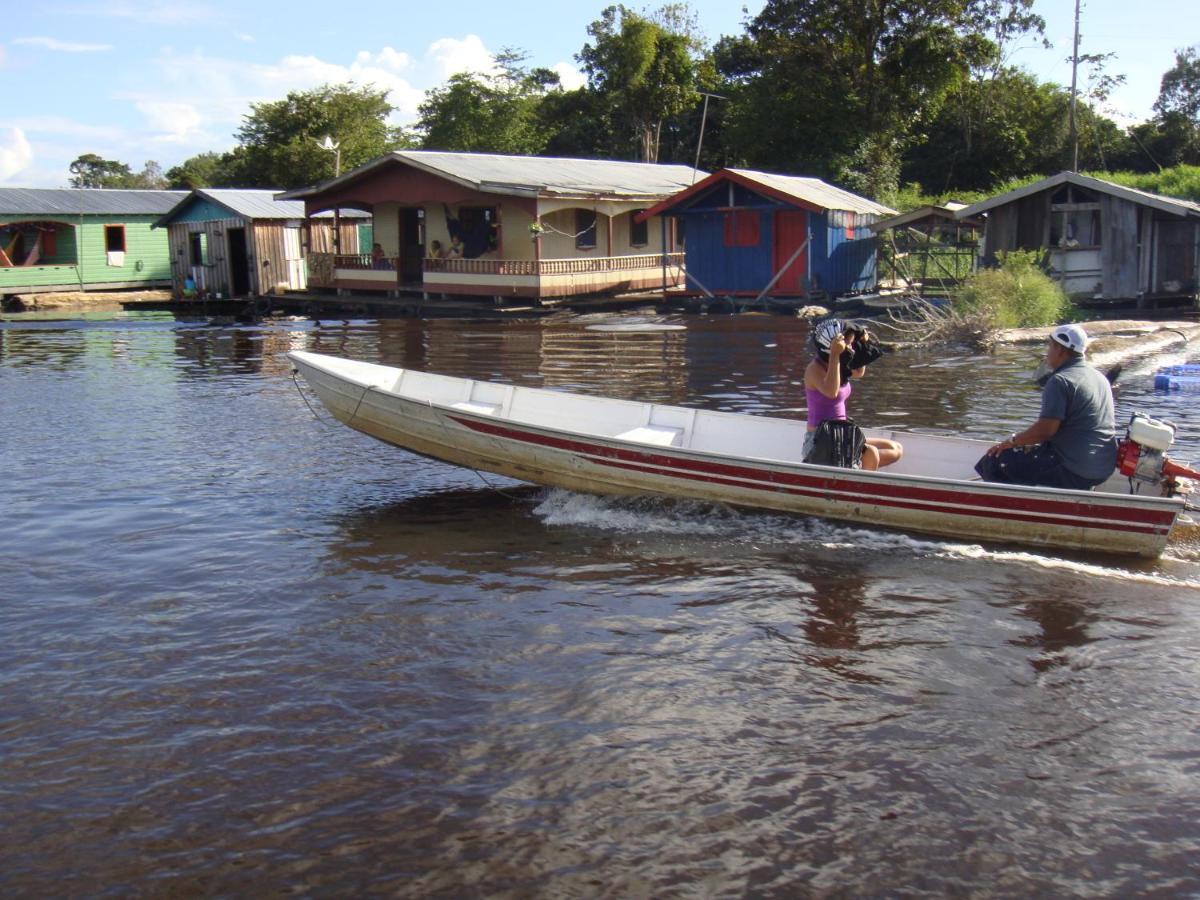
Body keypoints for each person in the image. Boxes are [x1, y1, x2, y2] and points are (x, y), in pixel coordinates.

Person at [976, 323, 1117, 490]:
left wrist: (1013, 441)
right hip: (1102, 469)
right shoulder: (1099, 377)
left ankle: (1019, 510)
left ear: (1060, 350)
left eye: (1050, 346)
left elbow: (1045, 431)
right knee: (1031, 456)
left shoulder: (1060, 380)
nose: (1047, 352)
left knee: (995, 460)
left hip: (1074, 470)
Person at [804, 318, 903, 470]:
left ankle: (853, 468)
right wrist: (835, 356)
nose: (850, 347)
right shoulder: (814, 369)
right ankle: (858, 488)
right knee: (871, 453)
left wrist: (861, 342)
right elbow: (831, 391)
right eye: (847, 344)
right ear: (831, 346)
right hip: (821, 440)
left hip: (844, 434)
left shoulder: (840, 363)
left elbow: (858, 372)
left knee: (895, 448)